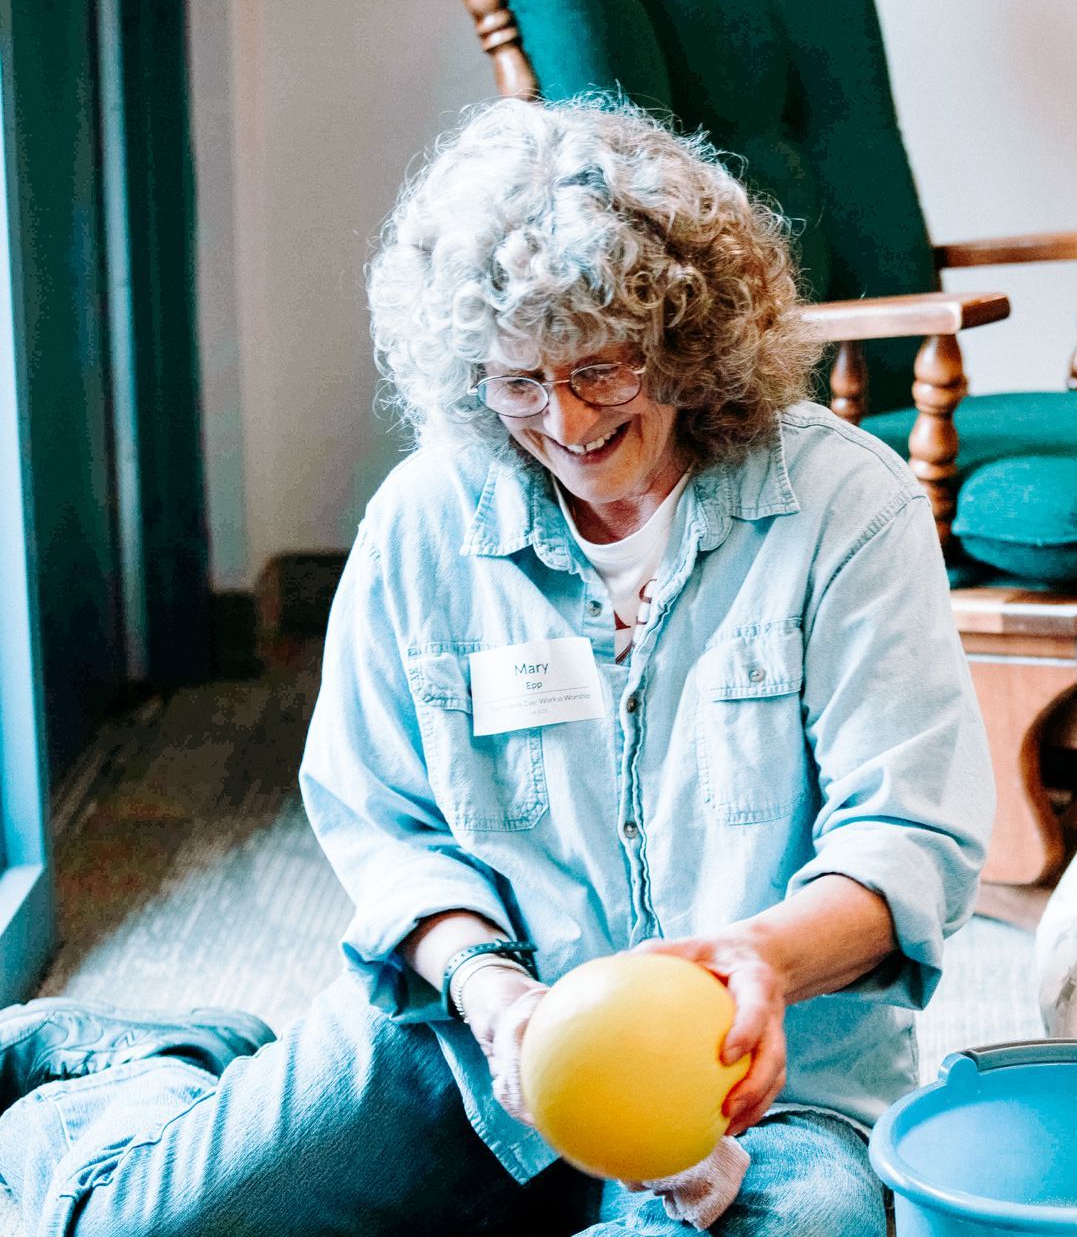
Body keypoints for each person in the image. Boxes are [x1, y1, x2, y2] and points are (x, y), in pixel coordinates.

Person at [0, 96, 994, 1236]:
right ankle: (149, 1066)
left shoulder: (843, 505)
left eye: (602, 371)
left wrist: (761, 956)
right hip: (476, 1055)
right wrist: (493, 992)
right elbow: (383, 821)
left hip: (767, 1092)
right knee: (130, 1226)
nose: (563, 420)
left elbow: (910, 835)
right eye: (516, 380)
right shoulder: (425, 520)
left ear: (685, 341)